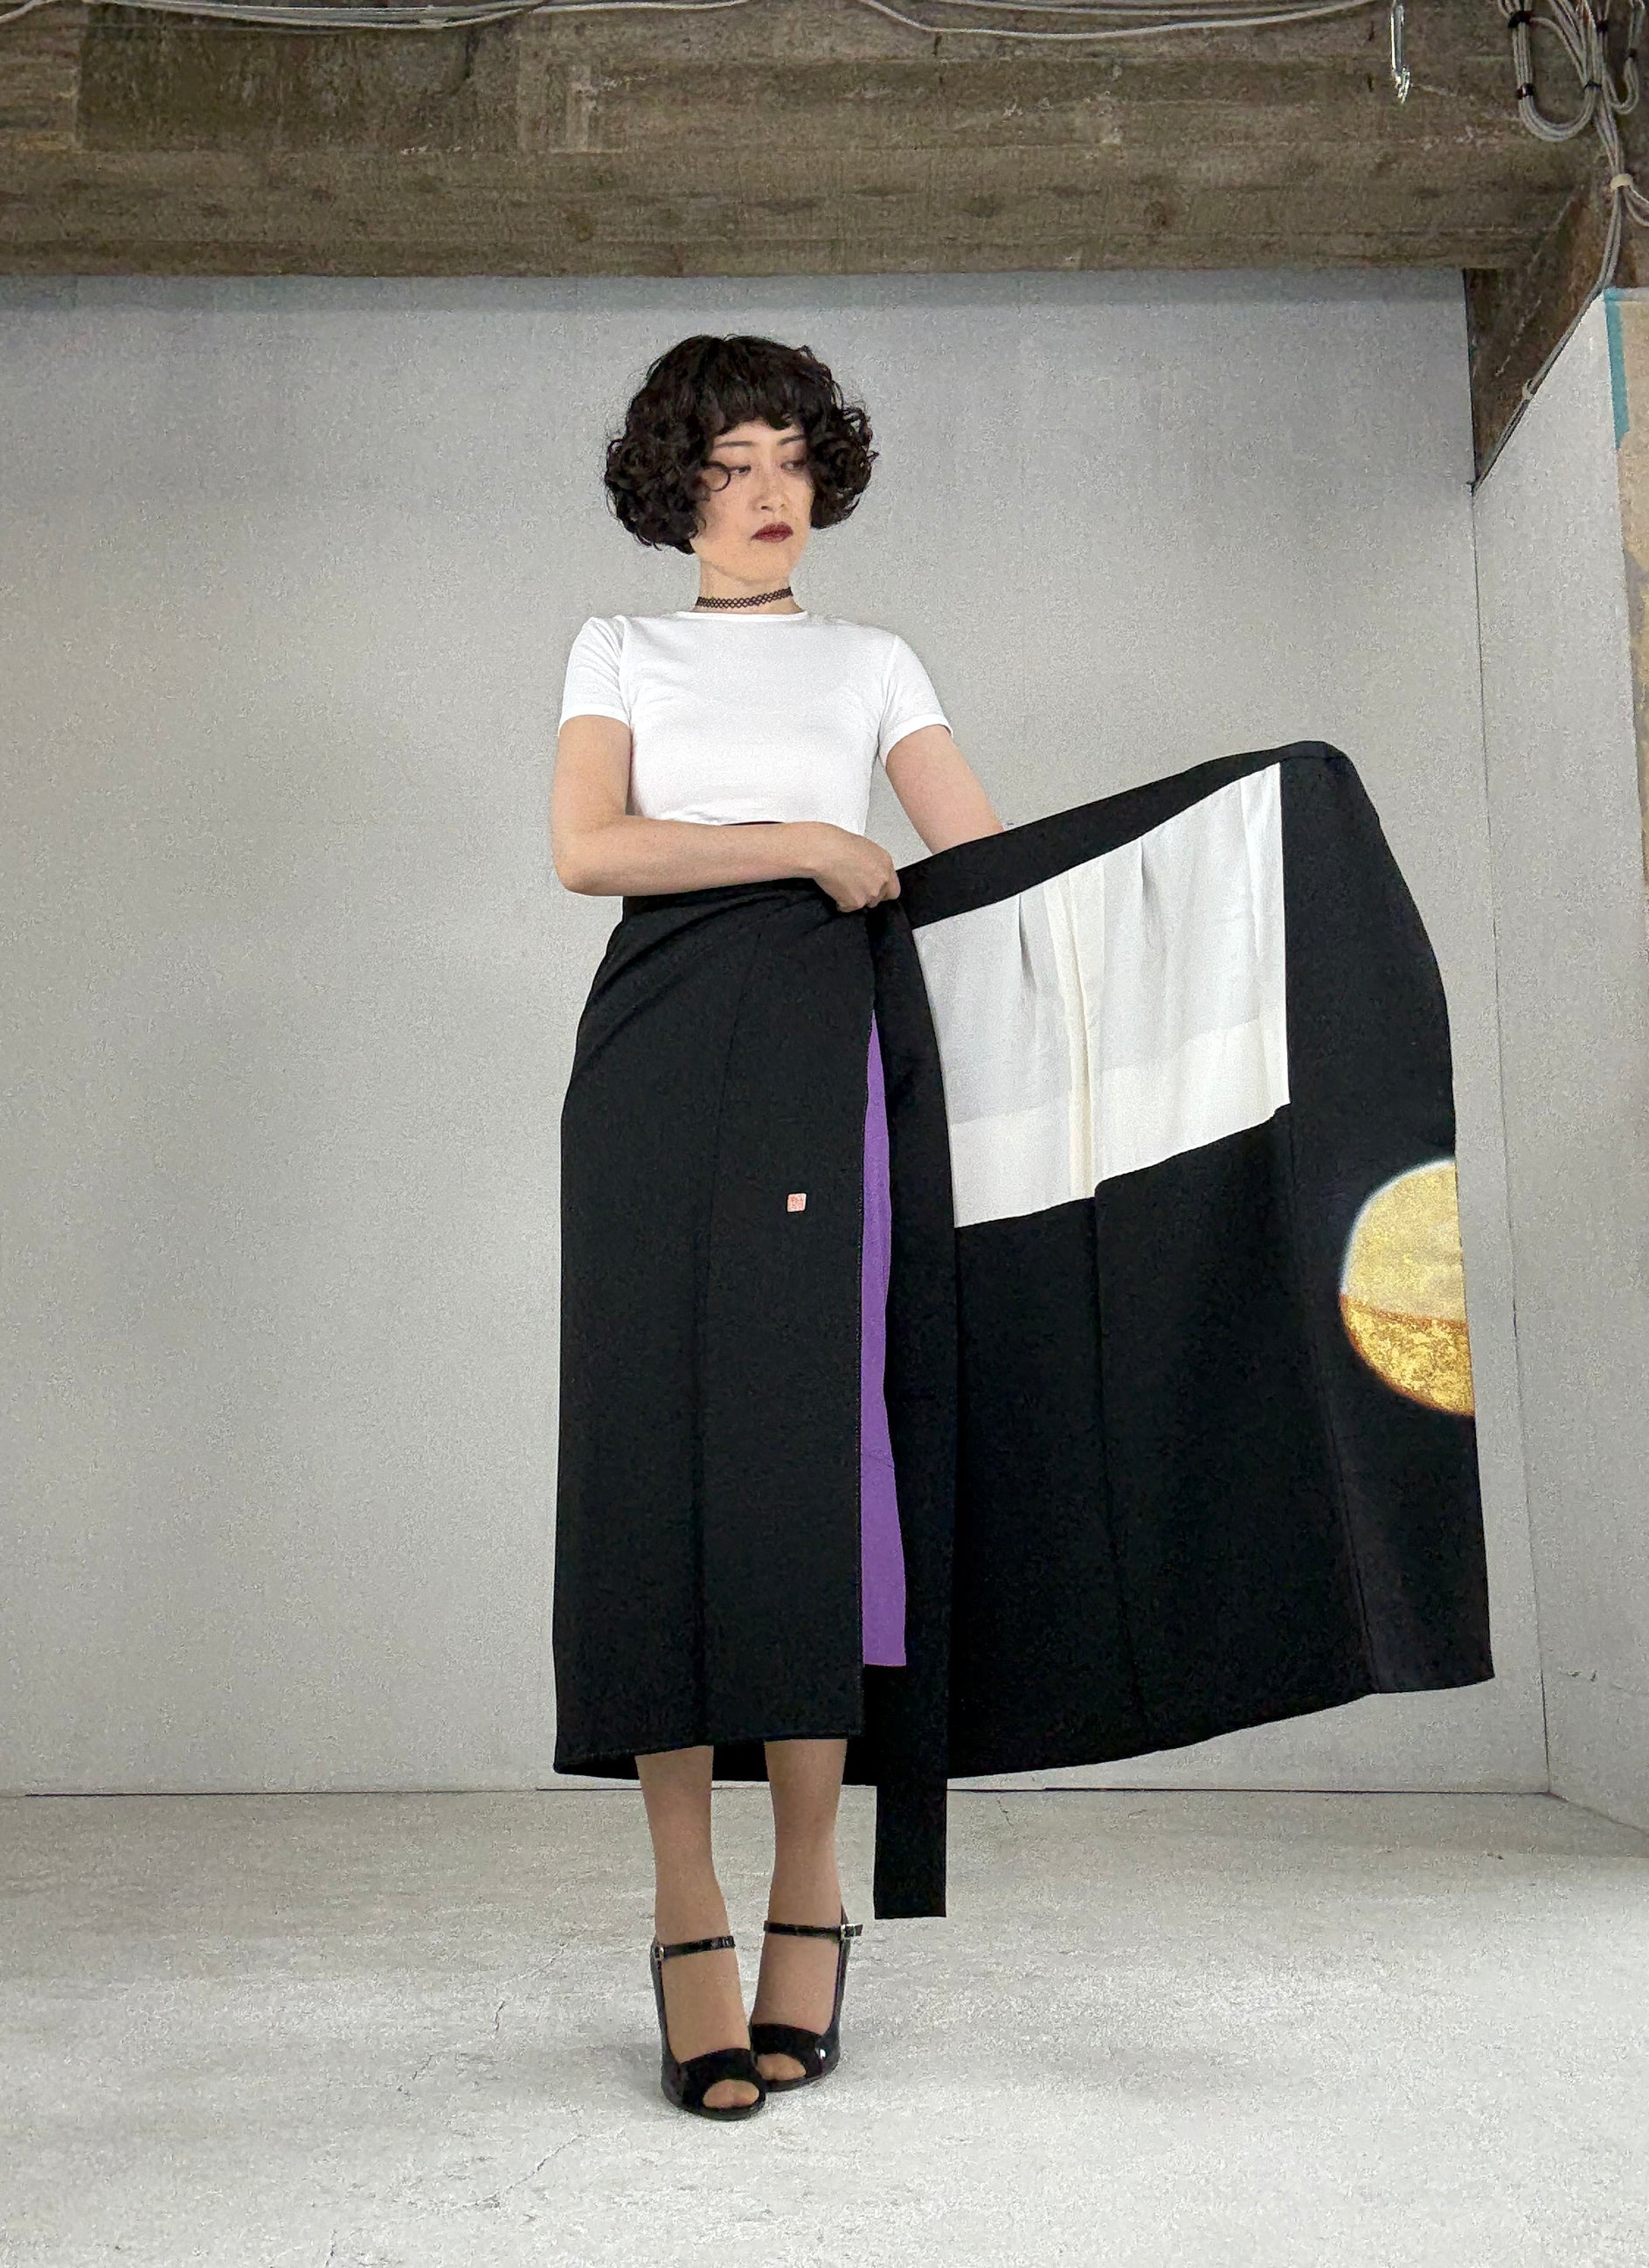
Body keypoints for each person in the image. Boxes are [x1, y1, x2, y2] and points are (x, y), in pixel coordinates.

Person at [548, 334, 1003, 2118]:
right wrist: (804, 837)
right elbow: (589, 848)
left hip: (828, 1059)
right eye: (731, 461)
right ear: (676, 485)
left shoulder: (872, 659)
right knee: (652, 1468)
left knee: (816, 1468)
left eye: (793, 457)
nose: (767, 491)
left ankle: (811, 1885)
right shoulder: (618, 644)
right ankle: (686, 1913)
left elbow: (978, 864)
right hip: (653, 1059)